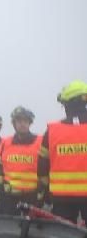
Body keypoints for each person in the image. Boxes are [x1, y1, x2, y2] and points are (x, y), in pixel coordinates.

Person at [38, 80, 87, 223]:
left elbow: (42, 166)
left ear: (67, 104)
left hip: (61, 198)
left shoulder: (52, 130)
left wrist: (46, 189)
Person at [0, 106, 42, 215]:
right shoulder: (6, 143)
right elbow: (0, 169)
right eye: (19, 121)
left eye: (25, 121)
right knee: (10, 228)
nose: (22, 124)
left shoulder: (40, 142)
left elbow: (45, 168)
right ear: (14, 124)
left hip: (32, 196)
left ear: (30, 123)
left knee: (33, 229)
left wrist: (43, 192)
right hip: (9, 197)